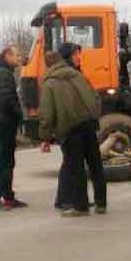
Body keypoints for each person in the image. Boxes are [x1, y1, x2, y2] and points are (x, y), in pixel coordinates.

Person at [39, 51, 107, 217]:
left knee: (76, 168)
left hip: (70, 129)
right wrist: (94, 117)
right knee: (95, 164)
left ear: (47, 65)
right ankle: (101, 204)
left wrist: (45, 137)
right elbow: (95, 97)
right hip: (89, 124)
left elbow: (47, 114)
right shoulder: (77, 75)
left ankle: (81, 207)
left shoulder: (49, 84)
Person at [0, 46, 27, 211]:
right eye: (16, 55)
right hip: (5, 124)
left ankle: (1, 197)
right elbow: (8, 100)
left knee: (0, 161)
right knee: (5, 162)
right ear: (7, 55)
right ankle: (3, 198)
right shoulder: (4, 74)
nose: (18, 58)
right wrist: (20, 116)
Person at [54, 43, 83, 210]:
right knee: (70, 162)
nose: (79, 57)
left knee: (75, 162)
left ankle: (75, 197)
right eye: (76, 55)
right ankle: (63, 200)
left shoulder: (74, 73)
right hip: (68, 125)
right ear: (68, 57)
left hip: (76, 123)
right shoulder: (65, 76)